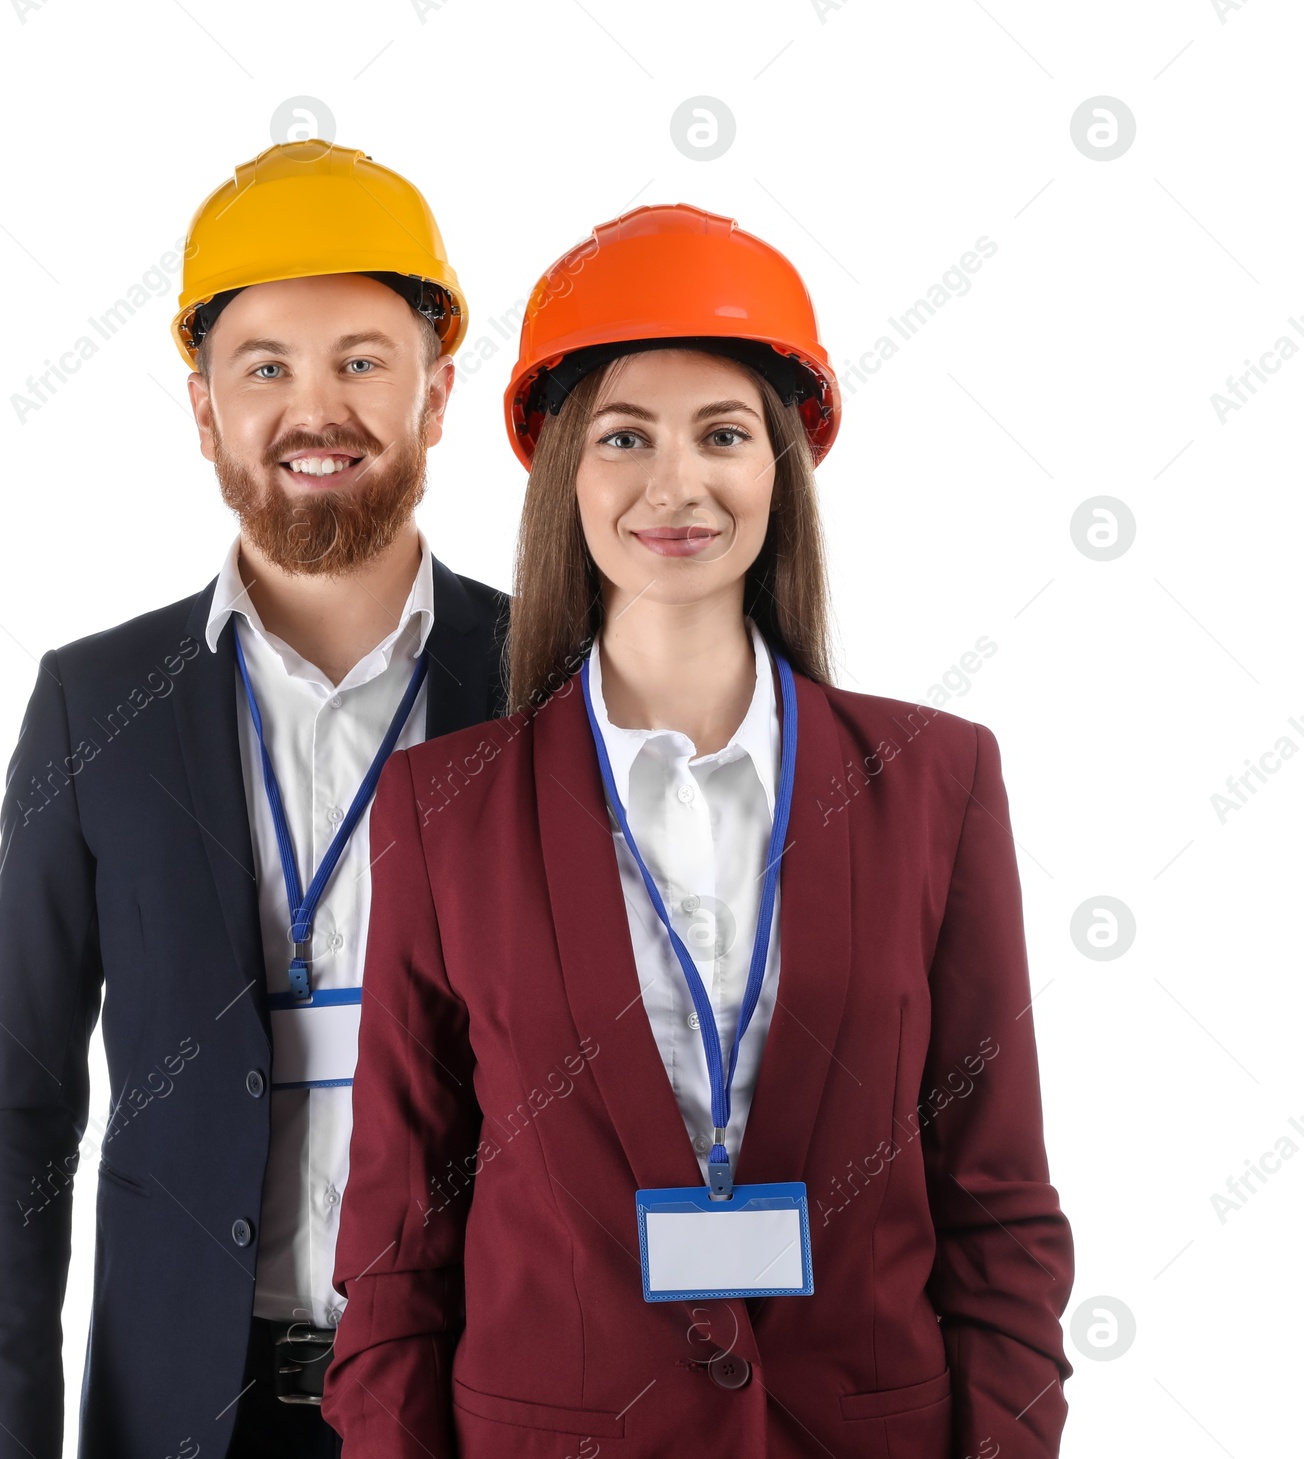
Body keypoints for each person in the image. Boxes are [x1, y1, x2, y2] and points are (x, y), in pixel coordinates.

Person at [324, 204, 1075, 1458]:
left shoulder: (938, 780)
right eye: (625, 436)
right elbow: (399, 1241)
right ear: (566, 470)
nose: (677, 483)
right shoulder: (441, 809)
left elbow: (996, 1204)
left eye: (722, 434)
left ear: (781, 463)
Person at [0, 141, 509, 1459]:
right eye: (267, 367)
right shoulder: (96, 704)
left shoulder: (550, 681)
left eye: (362, 359)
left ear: (436, 398)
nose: (316, 408)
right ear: (203, 409)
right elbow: (20, 1109)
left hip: (483, 1401)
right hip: (183, 1414)